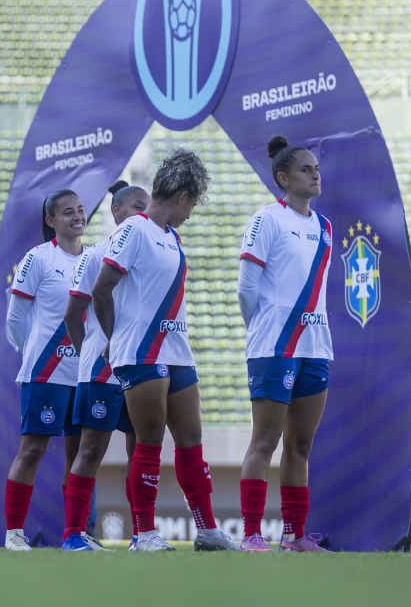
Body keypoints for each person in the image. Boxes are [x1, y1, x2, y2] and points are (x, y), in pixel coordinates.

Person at [91, 149, 238, 553]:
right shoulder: (133, 230)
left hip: (177, 350)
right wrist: (114, 339)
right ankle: (143, 534)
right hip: (140, 351)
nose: (191, 213)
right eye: (193, 204)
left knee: (191, 439)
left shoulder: (171, 236)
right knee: (149, 439)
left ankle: (207, 530)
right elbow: (101, 291)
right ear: (184, 197)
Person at [236, 136, 334, 553]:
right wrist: (264, 329)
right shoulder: (266, 220)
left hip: (316, 346)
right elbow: (247, 288)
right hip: (274, 346)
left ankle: (294, 535)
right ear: (283, 178)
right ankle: (253, 534)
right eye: (305, 169)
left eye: (316, 169)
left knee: (301, 444)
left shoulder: (325, 227)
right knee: (265, 441)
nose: (315, 174)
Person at [62, 181, 145, 549]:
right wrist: (90, 355)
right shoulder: (96, 254)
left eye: (149, 207)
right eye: (137, 207)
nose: (145, 214)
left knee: (140, 450)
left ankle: (144, 533)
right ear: (117, 212)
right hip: (102, 369)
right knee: (91, 450)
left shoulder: (153, 253)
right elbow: (73, 314)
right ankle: (74, 534)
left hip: (141, 366)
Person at [2, 189, 86, 551]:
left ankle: (75, 535)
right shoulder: (37, 258)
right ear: (51, 220)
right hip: (44, 372)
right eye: (68, 212)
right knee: (32, 451)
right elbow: (15, 318)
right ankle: (13, 534)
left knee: (80, 454)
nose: (76, 217)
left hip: (82, 373)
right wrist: (31, 352)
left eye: (80, 211)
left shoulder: (94, 258)